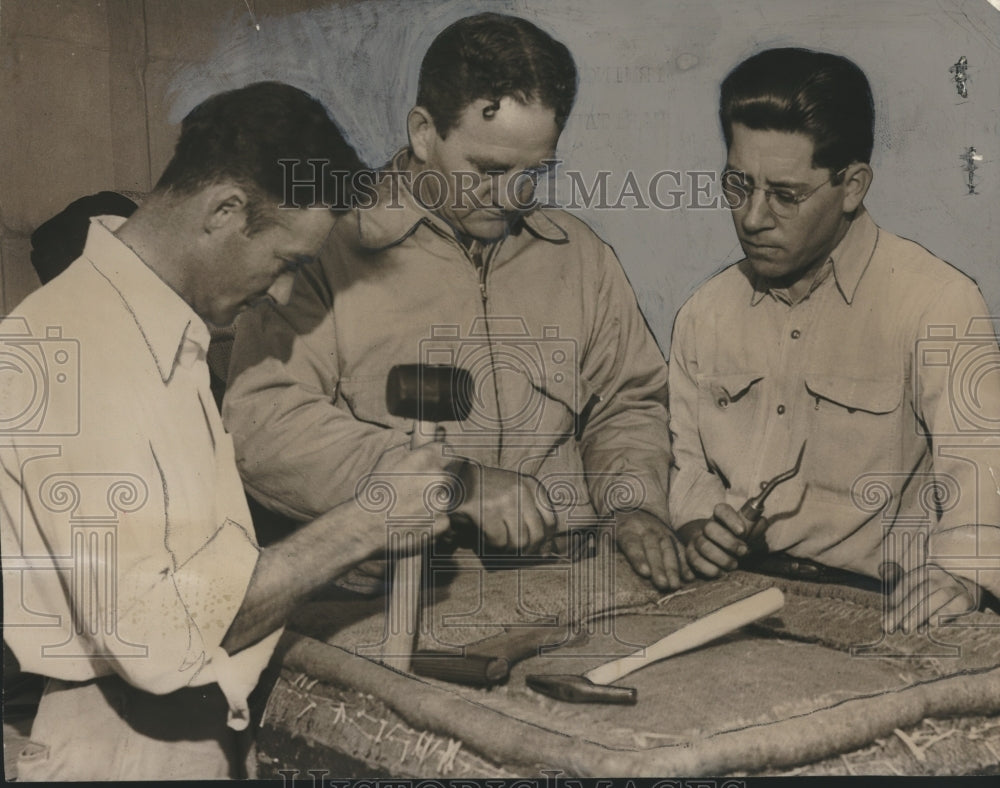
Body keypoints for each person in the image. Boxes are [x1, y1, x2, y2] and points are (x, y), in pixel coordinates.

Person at [0, 81, 452, 780]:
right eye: (286, 263)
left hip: (185, 724)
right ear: (224, 211)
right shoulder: (78, 349)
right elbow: (156, 638)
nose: (277, 294)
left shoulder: (156, 335)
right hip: (115, 741)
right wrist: (363, 523)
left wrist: (326, 556)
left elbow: (190, 567)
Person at [222, 13, 690, 591]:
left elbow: (630, 404)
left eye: (534, 172)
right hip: (398, 594)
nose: (511, 195)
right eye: (488, 170)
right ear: (423, 131)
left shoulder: (580, 256)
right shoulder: (323, 246)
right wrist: (452, 480)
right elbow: (262, 426)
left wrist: (634, 504)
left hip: (570, 583)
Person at [668, 48, 1000, 629]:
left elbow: (983, 462)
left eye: (785, 195)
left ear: (852, 186)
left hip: (879, 606)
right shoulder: (704, 312)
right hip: (736, 596)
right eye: (737, 184)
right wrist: (700, 529)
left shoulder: (936, 303)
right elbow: (688, 466)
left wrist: (963, 576)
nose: (751, 217)